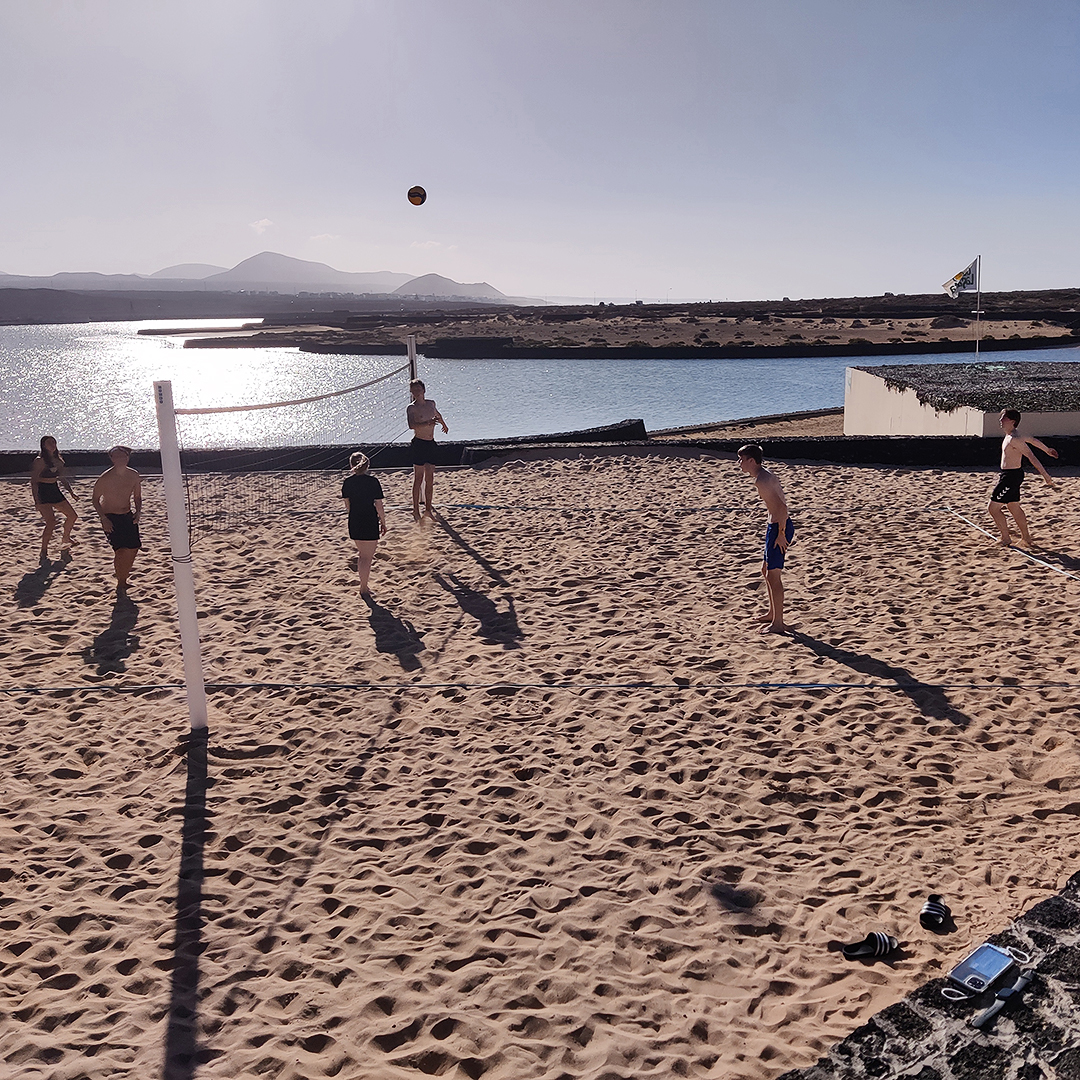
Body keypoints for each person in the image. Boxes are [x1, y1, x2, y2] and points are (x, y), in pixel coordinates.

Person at [738, 443, 795, 634]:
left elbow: (782, 508)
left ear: (752, 461)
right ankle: (772, 613)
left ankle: (778, 623)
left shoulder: (762, 481)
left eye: (741, 459)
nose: (739, 463)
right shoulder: (764, 475)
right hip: (775, 526)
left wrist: (781, 534)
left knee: (773, 575)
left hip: (780, 527)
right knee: (766, 570)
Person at [987, 409, 1058, 548]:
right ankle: (1026, 538)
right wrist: (1047, 450)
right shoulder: (1013, 435)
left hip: (1010, 478)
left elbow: (1031, 456)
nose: (1000, 420)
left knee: (993, 508)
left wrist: (1046, 477)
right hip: (1011, 475)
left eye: (1004, 418)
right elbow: (1033, 440)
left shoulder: (1015, 439)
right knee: (1013, 506)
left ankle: (1006, 538)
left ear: (1012, 421)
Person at [92, 446, 142, 590]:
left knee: (133, 548)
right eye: (116, 456)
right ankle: (120, 582)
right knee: (120, 551)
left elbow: (137, 497)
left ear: (127, 457)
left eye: (123, 456)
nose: (120, 459)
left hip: (127, 515)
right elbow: (95, 499)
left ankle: (124, 578)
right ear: (112, 459)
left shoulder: (133, 475)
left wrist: (138, 512)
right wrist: (103, 518)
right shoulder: (106, 477)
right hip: (110, 517)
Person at [340, 451, 386, 595]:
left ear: (351, 466)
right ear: (367, 466)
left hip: (354, 520)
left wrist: (353, 516)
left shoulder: (347, 482)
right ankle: (364, 588)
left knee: (362, 555)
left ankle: (363, 586)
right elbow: (379, 505)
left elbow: (348, 505)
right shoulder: (373, 482)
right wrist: (383, 522)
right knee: (366, 557)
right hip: (369, 520)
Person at [30, 435, 78, 559]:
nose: (52, 445)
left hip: (54, 490)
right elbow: (34, 481)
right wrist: (36, 501)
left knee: (72, 516)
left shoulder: (58, 460)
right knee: (51, 522)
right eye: (49, 443)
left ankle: (66, 538)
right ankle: (44, 549)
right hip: (42, 491)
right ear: (43, 445)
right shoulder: (40, 460)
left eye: (54, 442)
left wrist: (71, 492)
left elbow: (62, 477)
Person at [406, 379, 448, 521]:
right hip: (419, 444)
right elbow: (411, 425)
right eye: (414, 390)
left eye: (418, 389)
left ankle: (428, 510)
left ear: (423, 390)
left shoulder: (431, 404)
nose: (417, 392)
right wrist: (427, 423)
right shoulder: (411, 408)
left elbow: (438, 415)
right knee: (418, 478)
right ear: (411, 392)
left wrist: (444, 424)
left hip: (431, 444)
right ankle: (415, 510)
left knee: (430, 478)